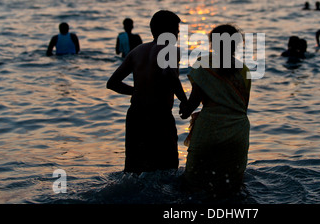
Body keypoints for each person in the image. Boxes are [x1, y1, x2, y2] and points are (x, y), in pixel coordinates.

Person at [106, 10, 188, 174]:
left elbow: (113, 83)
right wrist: (184, 102)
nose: (179, 32)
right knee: (167, 169)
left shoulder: (136, 51)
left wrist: (137, 91)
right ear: (169, 30)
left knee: (134, 170)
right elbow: (169, 74)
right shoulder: (171, 50)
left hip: (135, 116)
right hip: (159, 116)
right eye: (176, 28)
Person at [180, 24, 251, 194]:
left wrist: (185, 109)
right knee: (232, 188)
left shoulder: (203, 63)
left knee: (194, 185)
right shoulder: (245, 70)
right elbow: (240, 106)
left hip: (210, 129)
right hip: (238, 132)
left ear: (212, 43)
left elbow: (195, 101)